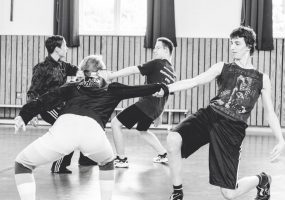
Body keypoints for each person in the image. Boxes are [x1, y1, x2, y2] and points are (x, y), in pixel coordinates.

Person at [154, 26, 285, 200]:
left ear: (249, 45)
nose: (232, 47)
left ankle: (262, 179)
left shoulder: (262, 78)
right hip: (210, 115)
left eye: (237, 43)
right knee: (173, 139)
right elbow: (194, 81)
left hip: (232, 128)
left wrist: (280, 139)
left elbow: (270, 113)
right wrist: (166, 88)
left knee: (229, 194)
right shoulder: (222, 67)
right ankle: (177, 193)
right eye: (231, 43)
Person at [14, 55, 169, 200]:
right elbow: (138, 89)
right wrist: (161, 87)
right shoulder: (112, 88)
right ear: (102, 71)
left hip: (64, 129)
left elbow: (45, 99)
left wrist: (23, 115)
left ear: (83, 71)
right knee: (107, 162)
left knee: (23, 164)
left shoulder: (72, 86)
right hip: (93, 133)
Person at [26, 35, 96, 174]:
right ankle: (58, 166)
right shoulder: (41, 68)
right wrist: (31, 113)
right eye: (64, 46)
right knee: (69, 128)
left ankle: (85, 159)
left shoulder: (63, 66)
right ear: (57, 49)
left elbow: (80, 71)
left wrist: (95, 72)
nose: (67, 48)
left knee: (81, 124)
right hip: (47, 107)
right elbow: (33, 91)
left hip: (60, 105)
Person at [104, 37, 176, 168]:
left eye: (157, 48)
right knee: (143, 129)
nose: (154, 50)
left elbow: (133, 69)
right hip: (156, 108)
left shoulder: (157, 63)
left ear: (166, 50)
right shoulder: (172, 72)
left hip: (146, 104)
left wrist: (112, 76)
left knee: (115, 124)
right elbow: (170, 95)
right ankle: (163, 154)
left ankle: (121, 158)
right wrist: (160, 113)